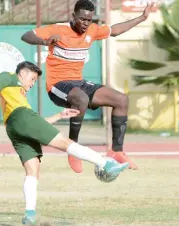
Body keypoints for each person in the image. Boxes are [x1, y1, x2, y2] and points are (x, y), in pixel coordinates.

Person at [0, 61, 129, 225]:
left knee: (33, 169)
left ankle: (30, 214)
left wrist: (60, 115)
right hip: (21, 118)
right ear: (22, 73)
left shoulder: (18, 96)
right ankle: (106, 164)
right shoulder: (9, 77)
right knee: (64, 143)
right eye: (32, 79)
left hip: (14, 128)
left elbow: (36, 123)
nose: (33, 83)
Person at [20, 0, 155, 173]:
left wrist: (142, 18)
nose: (85, 23)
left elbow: (115, 30)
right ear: (73, 16)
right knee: (81, 98)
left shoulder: (92, 30)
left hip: (79, 82)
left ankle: (116, 151)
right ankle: (73, 149)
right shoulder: (58, 29)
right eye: (82, 19)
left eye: (88, 20)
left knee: (121, 100)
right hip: (57, 84)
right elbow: (27, 36)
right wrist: (46, 41)